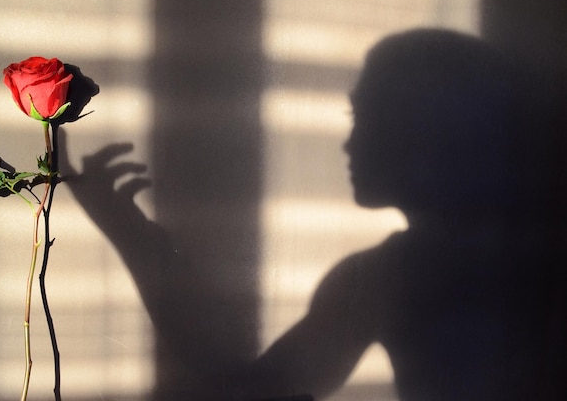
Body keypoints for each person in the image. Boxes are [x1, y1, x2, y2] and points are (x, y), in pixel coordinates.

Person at [60, 28, 563, 400]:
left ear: (430, 130)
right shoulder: (396, 273)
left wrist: (131, 235)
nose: (348, 142)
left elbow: (253, 393)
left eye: (366, 116)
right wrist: (134, 234)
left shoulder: (388, 277)